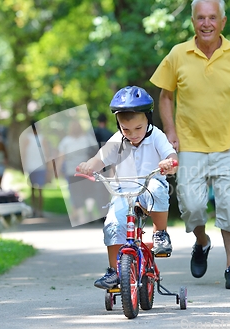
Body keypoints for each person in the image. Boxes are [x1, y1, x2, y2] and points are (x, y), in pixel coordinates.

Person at [150, 0, 230, 289]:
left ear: (223, 22)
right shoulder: (178, 54)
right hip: (190, 145)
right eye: (200, 18)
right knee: (192, 206)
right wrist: (170, 131)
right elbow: (165, 95)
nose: (206, 23)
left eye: (212, 18)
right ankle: (202, 242)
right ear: (192, 22)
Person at [76, 86, 178, 289]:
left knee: (158, 189)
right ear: (119, 125)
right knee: (113, 223)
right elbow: (100, 159)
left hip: (150, 185)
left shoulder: (156, 136)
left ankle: (160, 233)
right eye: (126, 130)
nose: (133, 134)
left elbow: (172, 157)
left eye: (138, 128)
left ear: (148, 119)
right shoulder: (117, 140)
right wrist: (89, 166)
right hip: (124, 191)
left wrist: (169, 163)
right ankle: (114, 271)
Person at [21, 120, 52, 217]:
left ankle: (34, 209)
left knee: (32, 190)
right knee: (40, 190)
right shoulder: (42, 138)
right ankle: (40, 210)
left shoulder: (27, 139)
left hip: (31, 166)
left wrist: (24, 166)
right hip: (41, 166)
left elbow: (24, 154)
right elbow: (47, 154)